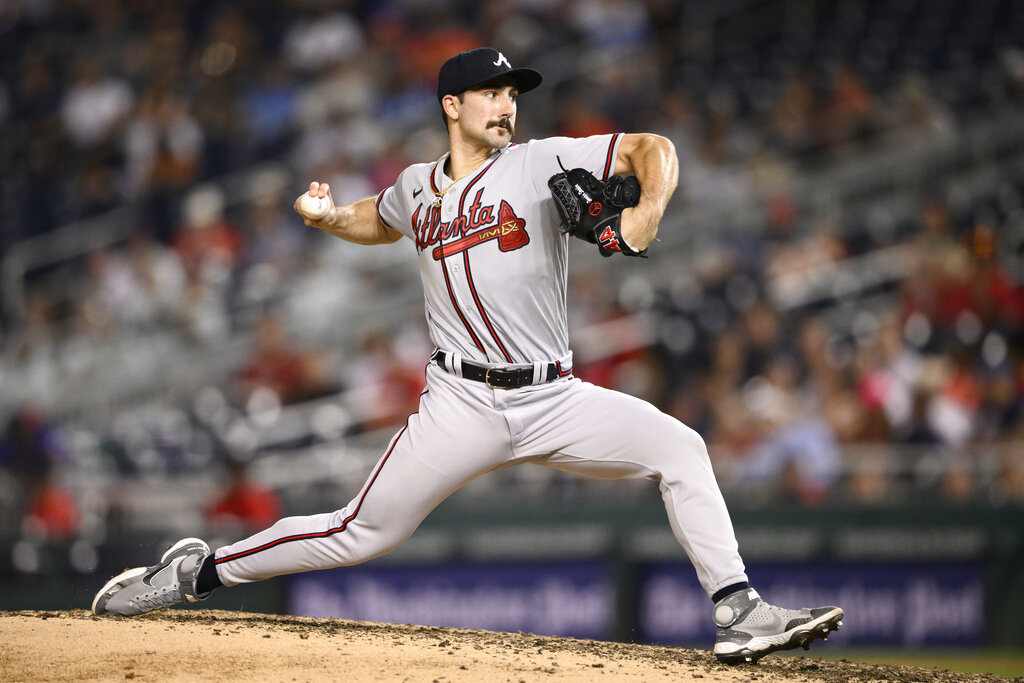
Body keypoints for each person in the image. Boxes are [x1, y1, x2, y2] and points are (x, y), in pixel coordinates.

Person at [92, 47, 843, 665]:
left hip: (554, 396)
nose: (506, 104)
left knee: (681, 447)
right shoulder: (419, 187)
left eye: (512, 92)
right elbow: (377, 219)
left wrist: (643, 213)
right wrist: (326, 218)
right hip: (460, 404)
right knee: (361, 530)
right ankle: (195, 572)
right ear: (452, 105)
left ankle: (738, 610)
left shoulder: (540, 160)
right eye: (490, 92)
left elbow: (655, 149)